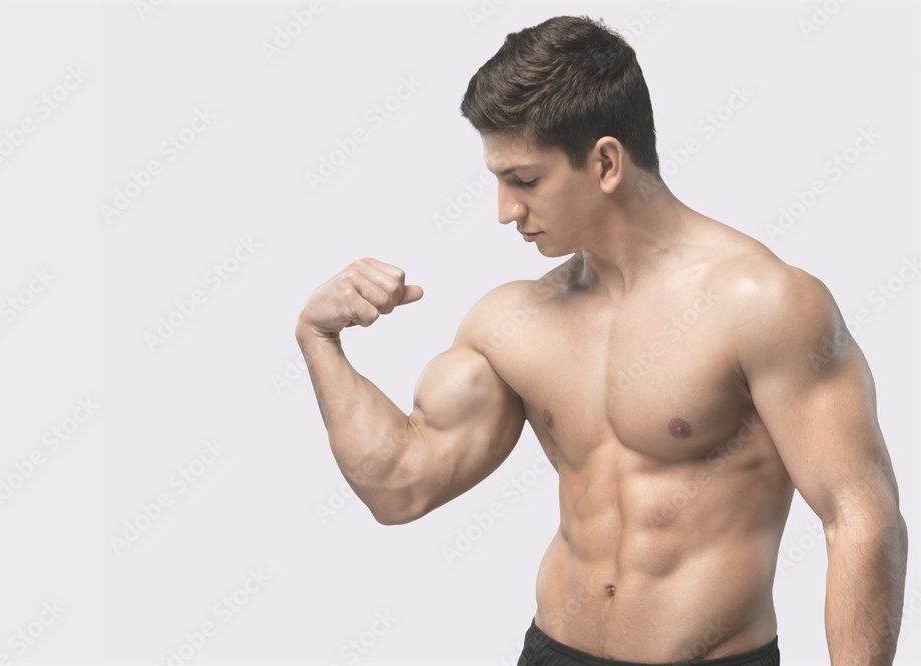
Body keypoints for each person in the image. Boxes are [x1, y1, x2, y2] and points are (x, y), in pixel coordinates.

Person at [295, 15, 908, 666]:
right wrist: (318, 338)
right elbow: (399, 485)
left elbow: (861, 519)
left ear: (607, 162)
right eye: (498, 180)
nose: (504, 210)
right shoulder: (515, 320)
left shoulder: (762, 303)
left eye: (524, 181)